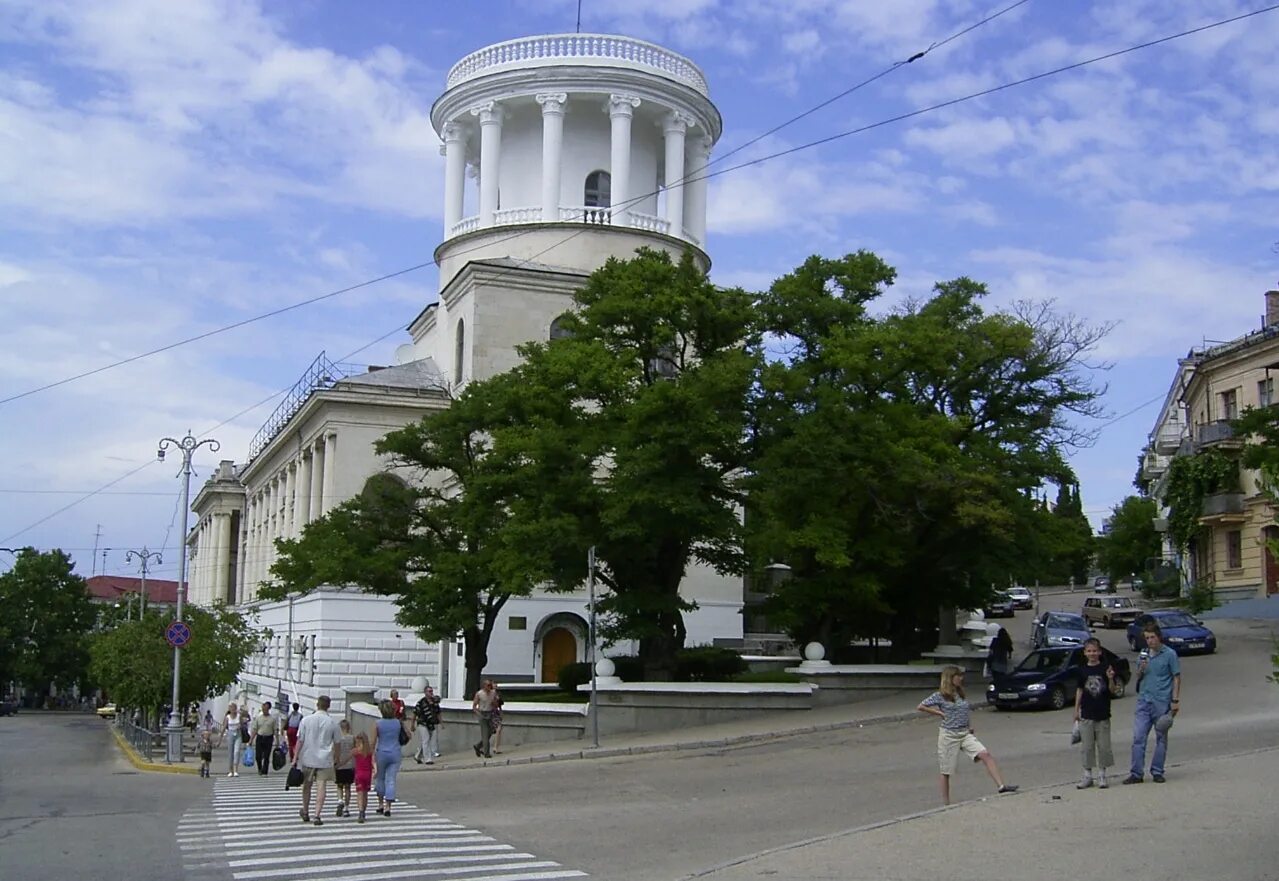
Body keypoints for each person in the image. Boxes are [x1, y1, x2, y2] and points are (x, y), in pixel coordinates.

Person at [917, 665, 1018, 805]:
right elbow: (921, 706)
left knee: (985, 754)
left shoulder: (960, 693)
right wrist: (939, 713)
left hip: (964, 733)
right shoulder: (940, 695)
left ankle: (1001, 786)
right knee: (946, 770)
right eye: (958, 676)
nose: (961, 678)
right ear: (950, 678)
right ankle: (946, 803)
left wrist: (969, 725)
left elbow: (965, 711)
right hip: (949, 734)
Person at [1124, 622, 1181, 784]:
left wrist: (1175, 700)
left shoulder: (1169, 654)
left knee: (1161, 737)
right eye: (1147, 638)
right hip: (1144, 700)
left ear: (1159, 637)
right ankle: (1136, 773)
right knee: (1138, 737)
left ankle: (1157, 771)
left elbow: (1176, 677)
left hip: (1162, 701)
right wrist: (1141, 668)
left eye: (1152, 637)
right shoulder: (1143, 654)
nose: (1150, 641)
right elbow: (1139, 676)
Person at [1073, 637, 1117, 789]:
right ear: (1085, 653)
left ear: (1099, 652)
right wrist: (1076, 710)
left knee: (1104, 746)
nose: (1092, 654)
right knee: (1087, 746)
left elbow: (1112, 690)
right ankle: (1087, 775)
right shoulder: (1082, 670)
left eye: (1095, 651)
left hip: (1103, 713)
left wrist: (1111, 679)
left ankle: (1102, 775)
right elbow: (1079, 690)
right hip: (1086, 713)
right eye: (1089, 651)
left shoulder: (1105, 668)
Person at [295, 695, 340, 826]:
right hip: (325, 759)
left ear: (317, 705)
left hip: (308, 757)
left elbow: (300, 740)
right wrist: (337, 757)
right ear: (329, 706)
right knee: (321, 786)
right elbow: (337, 743)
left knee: (306, 786)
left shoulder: (306, 720)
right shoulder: (332, 723)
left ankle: (305, 810)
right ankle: (317, 814)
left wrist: (295, 757)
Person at [371, 700, 404, 817]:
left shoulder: (378, 723)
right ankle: (388, 806)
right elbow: (408, 734)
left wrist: (371, 755)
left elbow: (373, 741)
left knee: (380, 778)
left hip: (382, 752)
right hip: (395, 752)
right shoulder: (398, 723)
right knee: (391, 780)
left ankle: (380, 804)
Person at [413, 686, 443, 764]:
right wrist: (412, 725)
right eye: (429, 691)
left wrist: (441, 723)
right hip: (422, 723)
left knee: (426, 741)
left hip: (431, 723)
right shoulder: (421, 702)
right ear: (425, 692)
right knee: (426, 740)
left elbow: (438, 713)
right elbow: (414, 714)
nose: (431, 693)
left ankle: (418, 756)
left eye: (431, 691)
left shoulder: (434, 702)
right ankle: (428, 759)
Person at [334, 719, 355, 817]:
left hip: (339, 765)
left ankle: (340, 800)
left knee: (339, 786)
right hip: (350, 765)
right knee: (348, 787)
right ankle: (346, 808)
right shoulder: (352, 738)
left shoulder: (337, 739)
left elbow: (334, 751)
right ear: (348, 727)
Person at [472, 679, 498, 758]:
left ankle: (478, 746)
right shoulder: (479, 694)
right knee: (485, 734)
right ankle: (486, 753)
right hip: (482, 713)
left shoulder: (493, 693)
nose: (489, 687)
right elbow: (474, 706)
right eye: (488, 685)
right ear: (484, 686)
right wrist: (479, 714)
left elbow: (495, 704)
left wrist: (495, 703)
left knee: (491, 731)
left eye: (490, 685)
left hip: (490, 713)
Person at [252, 701, 279, 776]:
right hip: (260, 737)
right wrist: (251, 739)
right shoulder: (258, 718)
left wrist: (277, 741)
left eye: (266, 709)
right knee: (258, 756)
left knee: (267, 756)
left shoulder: (272, 719)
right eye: (263, 709)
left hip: (268, 738)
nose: (264, 710)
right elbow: (255, 729)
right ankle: (260, 768)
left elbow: (275, 730)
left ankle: (265, 771)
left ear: (268, 709)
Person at [352, 732, 373, 824]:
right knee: (365, 794)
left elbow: (346, 759)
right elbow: (373, 762)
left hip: (359, 774)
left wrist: (337, 766)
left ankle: (360, 811)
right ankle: (363, 811)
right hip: (367, 774)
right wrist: (376, 770)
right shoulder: (369, 751)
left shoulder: (356, 751)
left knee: (360, 794)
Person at [223, 702, 242, 778]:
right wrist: (220, 738)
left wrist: (240, 726)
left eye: (234, 707)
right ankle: (230, 770)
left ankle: (235, 770)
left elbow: (242, 724)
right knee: (230, 752)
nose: (232, 709)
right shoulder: (227, 717)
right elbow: (224, 727)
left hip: (238, 734)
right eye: (231, 708)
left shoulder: (239, 716)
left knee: (236, 752)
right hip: (230, 734)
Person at [490, 684, 504, 754]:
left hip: (496, 714)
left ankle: (496, 747)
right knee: (493, 731)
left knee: (498, 729)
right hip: (491, 714)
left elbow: (500, 705)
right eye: (494, 685)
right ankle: (480, 745)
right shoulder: (489, 695)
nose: (496, 686)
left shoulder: (498, 695)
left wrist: (501, 713)